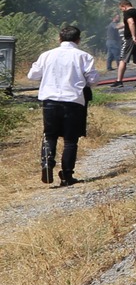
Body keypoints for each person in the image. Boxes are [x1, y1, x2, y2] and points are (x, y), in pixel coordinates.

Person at [28, 24, 96, 186]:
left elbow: (32, 75)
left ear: (59, 39)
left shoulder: (47, 55)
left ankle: (47, 163)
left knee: (49, 135)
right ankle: (67, 175)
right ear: (78, 40)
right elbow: (93, 80)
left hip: (50, 102)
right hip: (73, 102)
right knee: (70, 140)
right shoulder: (84, 56)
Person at [114, 0, 136, 85]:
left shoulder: (127, 13)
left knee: (123, 59)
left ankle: (119, 81)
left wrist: (133, 36)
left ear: (124, 6)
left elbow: (131, 23)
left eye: (121, 9)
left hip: (130, 39)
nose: (122, 11)